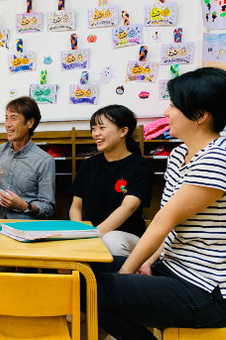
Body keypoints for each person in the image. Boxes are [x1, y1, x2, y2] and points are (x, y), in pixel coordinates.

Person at [91, 67, 226, 340]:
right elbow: (167, 224)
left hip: (205, 289)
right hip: (172, 268)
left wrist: (127, 275)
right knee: (81, 273)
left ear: (200, 115)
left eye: (174, 105)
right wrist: (149, 261)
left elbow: (163, 221)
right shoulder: (179, 155)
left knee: (91, 290)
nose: (165, 112)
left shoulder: (217, 157)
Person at [69, 105, 154, 256]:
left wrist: (93, 235)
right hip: (89, 235)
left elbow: (128, 207)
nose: (96, 134)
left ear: (123, 131)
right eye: (93, 129)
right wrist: (79, 232)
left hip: (126, 237)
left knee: (111, 240)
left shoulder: (141, 166)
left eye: (102, 128)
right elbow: (76, 206)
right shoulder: (88, 164)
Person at [0, 96, 55, 219]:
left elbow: (48, 207)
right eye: (6, 118)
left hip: (25, 225)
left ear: (30, 123)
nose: (7, 125)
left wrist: (24, 206)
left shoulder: (44, 161)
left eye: (13, 118)